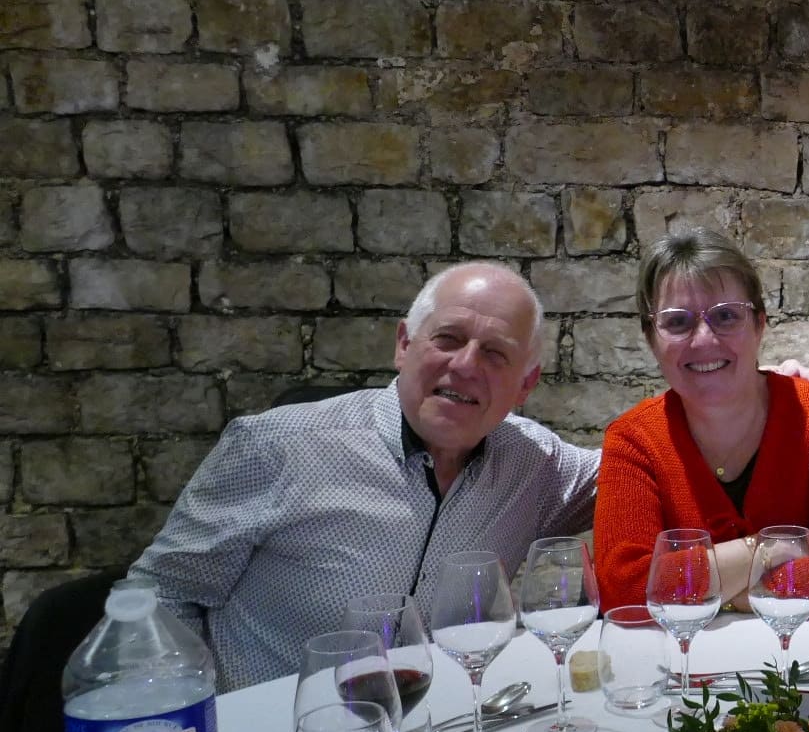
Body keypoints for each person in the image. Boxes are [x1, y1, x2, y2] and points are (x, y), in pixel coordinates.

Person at [130, 262, 600, 691]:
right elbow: (161, 594)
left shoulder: (534, 465)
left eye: (495, 353)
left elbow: (633, 464)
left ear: (525, 384)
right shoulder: (276, 446)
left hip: (440, 726)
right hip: (280, 731)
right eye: (448, 338)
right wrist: (192, 720)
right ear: (404, 345)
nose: (464, 365)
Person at [594, 228, 809, 615]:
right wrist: (771, 550)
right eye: (678, 322)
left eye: (726, 316)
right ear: (651, 339)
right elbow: (623, 589)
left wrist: (715, 590)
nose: (704, 339)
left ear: (760, 324)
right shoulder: (632, 439)